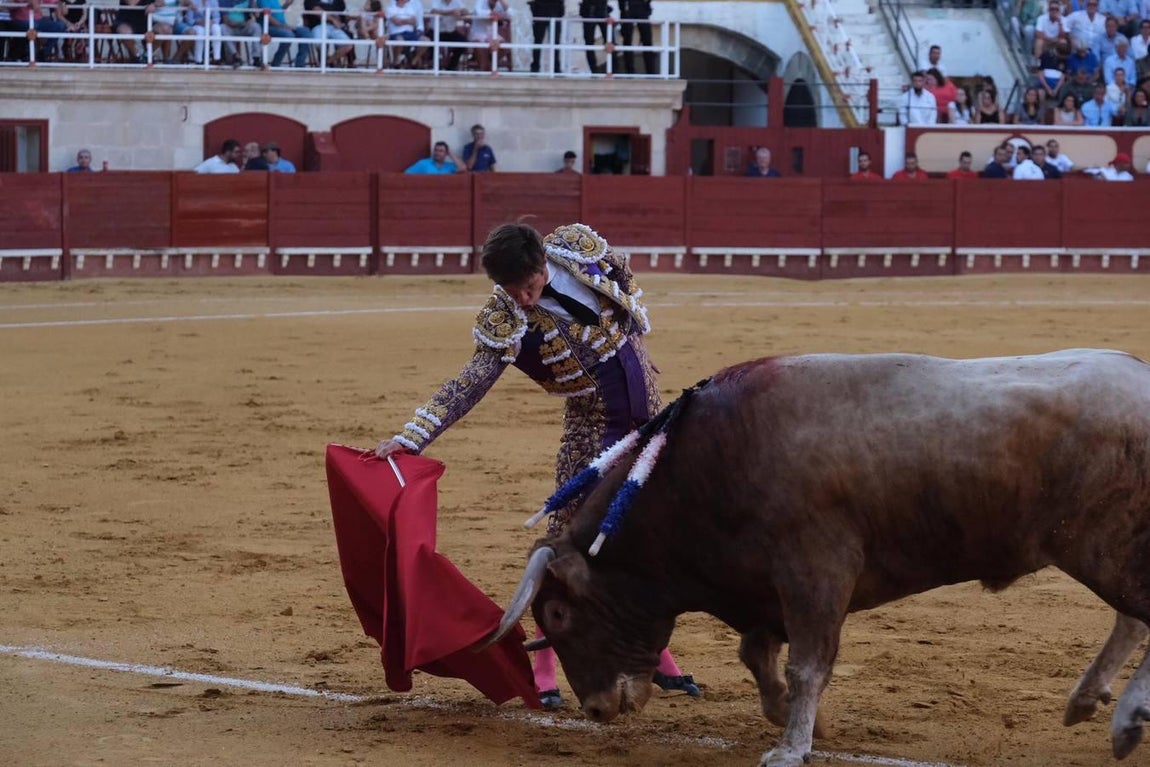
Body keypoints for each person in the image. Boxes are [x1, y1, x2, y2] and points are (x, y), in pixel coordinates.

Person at [373, 222, 701, 710]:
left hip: (650, 419)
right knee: (565, 553)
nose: (522, 301)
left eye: (527, 287)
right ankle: (544, 668)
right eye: (511, 292)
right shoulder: (505, 318)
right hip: (593, 430)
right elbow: (470, 382)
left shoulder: (579, 252)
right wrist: (411, 437)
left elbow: (625, 290)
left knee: (645, 542)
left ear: (543, 265)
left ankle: (655, 658)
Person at [618, 0, 656, 75]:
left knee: (647, 40)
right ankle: (629, 71)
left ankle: (651, 72)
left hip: (641, 7)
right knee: (627, 40)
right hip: (628, 7)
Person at [528, 0, 563, 73]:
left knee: (554, 42)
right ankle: (536, 66)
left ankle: (555, 67)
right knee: (538, 41)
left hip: (550, 10)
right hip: (543, 10)